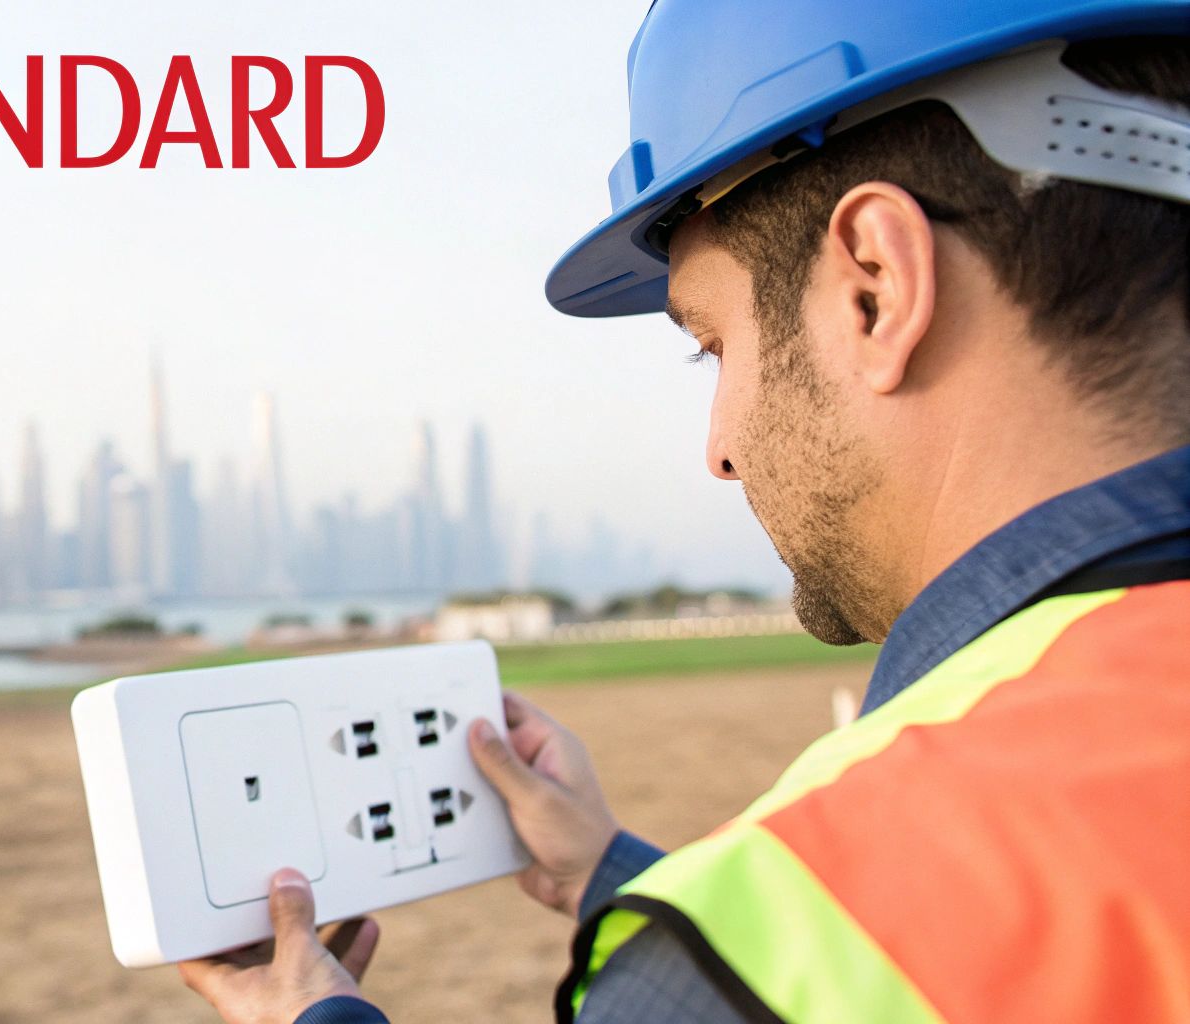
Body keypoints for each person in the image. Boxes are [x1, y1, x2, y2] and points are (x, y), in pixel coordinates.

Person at [178, 2, 1190, 1022]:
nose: (717, 447)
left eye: (711, 343)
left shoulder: (792, 931)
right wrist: (613, 878)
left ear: (873, 289)